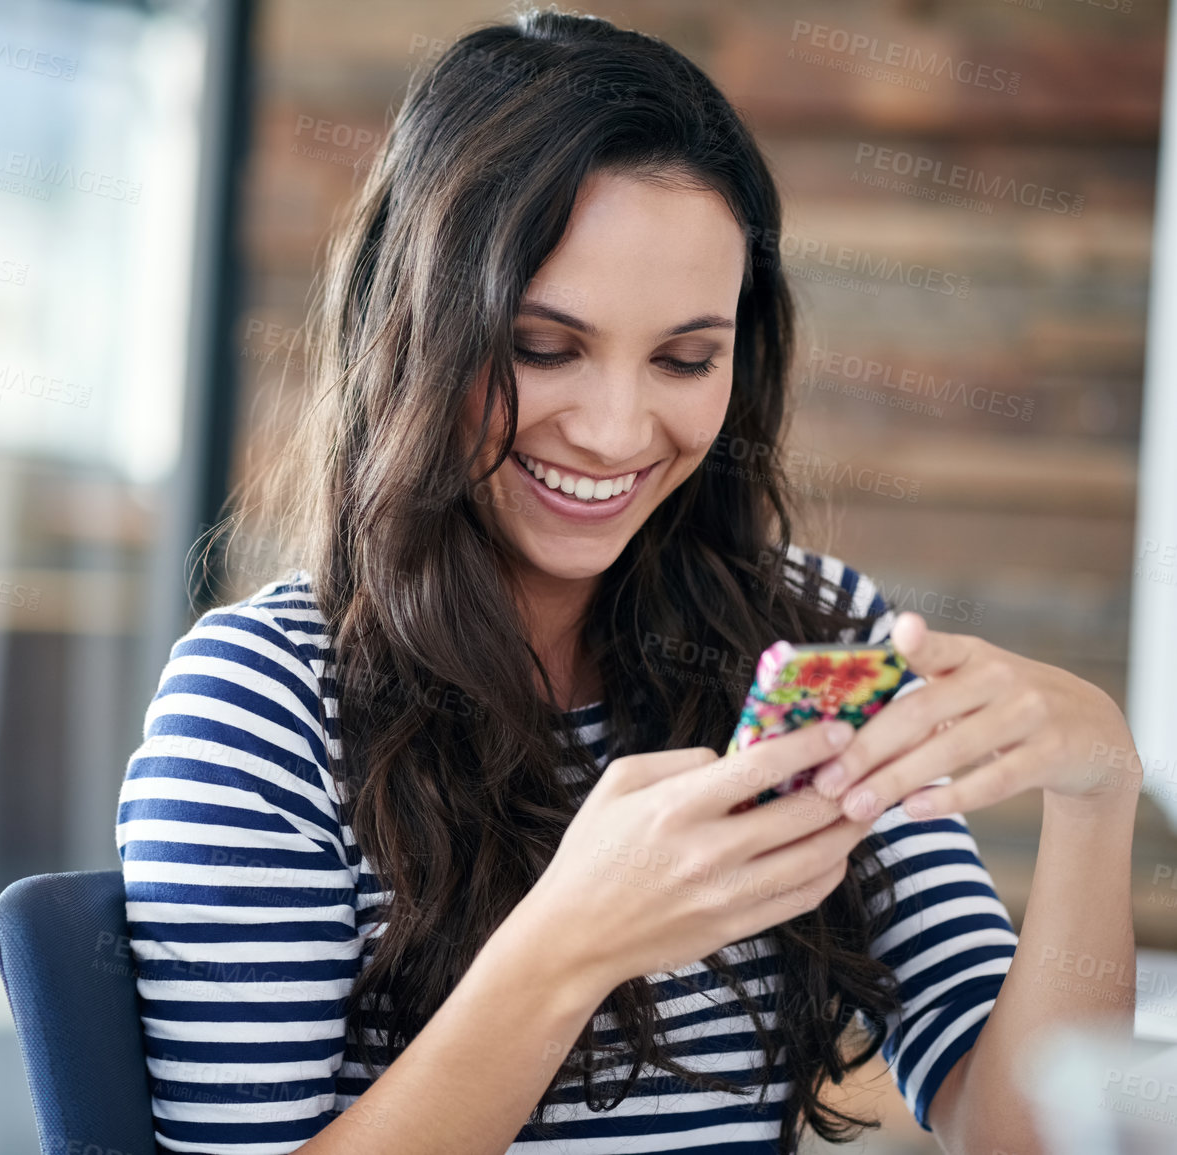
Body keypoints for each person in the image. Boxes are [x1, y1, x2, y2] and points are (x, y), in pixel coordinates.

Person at [114, 10, 1141, 1154]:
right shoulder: (261, 704)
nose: (613, 431)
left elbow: (1029, 1134)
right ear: (417, 331)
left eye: (685, 359)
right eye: (544, 347)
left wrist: (1097, 788)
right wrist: (576, 943)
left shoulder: (809, 637)